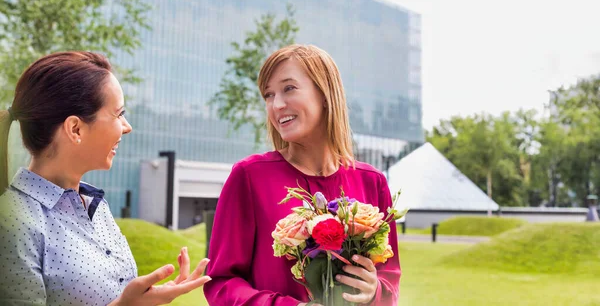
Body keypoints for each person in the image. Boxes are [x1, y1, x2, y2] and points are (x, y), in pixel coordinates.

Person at [0, 51, 211, 305]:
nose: (127, 126)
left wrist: (143, 299)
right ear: (75, 129)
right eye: (118, 114)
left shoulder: (95, 207)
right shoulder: (11, 221)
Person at [204, 44, 400, 305]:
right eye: (269, 95)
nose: (277, 104)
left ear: (324, 93)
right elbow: (221, 283)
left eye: (289, 88)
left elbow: (390, 277)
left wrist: (374, 291)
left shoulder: (372, 181)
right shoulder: (249, 177)